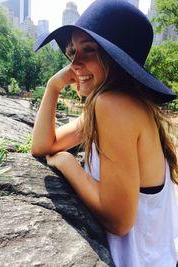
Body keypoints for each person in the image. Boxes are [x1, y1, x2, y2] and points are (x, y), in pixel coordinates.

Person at [31, 0, 178, 266]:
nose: (74, 62)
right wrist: (54, 86)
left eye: (89, 50)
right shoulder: (118, 103)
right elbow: (42, 146)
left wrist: (68, 164)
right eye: (72, 51)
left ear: (116, 60)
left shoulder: (112, 105)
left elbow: (119, 221)